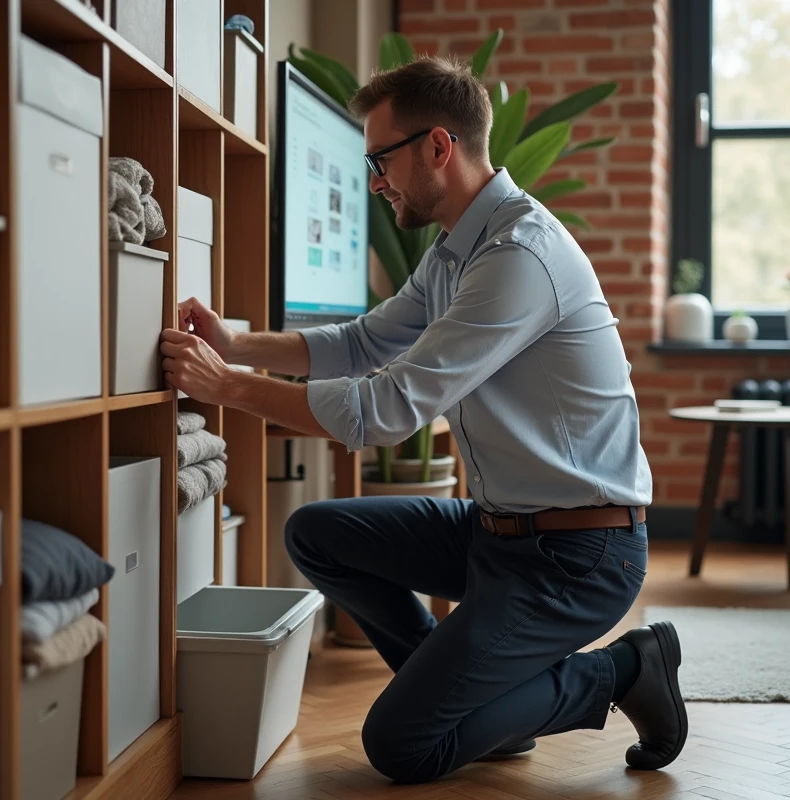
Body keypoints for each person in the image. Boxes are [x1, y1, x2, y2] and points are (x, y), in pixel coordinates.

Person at [160, 55, 687, 785]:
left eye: (381, 159)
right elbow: (364, 342)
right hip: (497, 532)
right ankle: (479, 706)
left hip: (580, 557)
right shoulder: (453, 252)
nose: (376, 181)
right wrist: (238, 344)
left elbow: (387, 408)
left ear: (439, 146)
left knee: (403, 746)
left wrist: (232, 387)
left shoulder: (517, 257)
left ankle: (627, 669)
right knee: (318, 534)